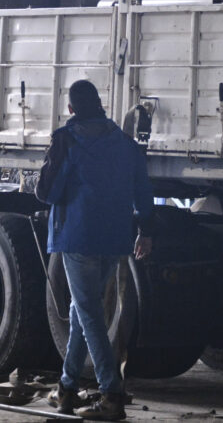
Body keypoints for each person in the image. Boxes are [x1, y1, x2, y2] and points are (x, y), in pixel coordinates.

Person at [36, 79, 155, 421]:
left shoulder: (67, 139)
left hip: (77, 239)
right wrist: (146, 231)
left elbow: (48, 193)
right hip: (115, 240)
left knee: (89, 315)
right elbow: (142, 191)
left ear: (71, 109)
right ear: (100, 104)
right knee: (81, 312)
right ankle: (66, 388)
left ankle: (111, 395)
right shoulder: (124, 143)